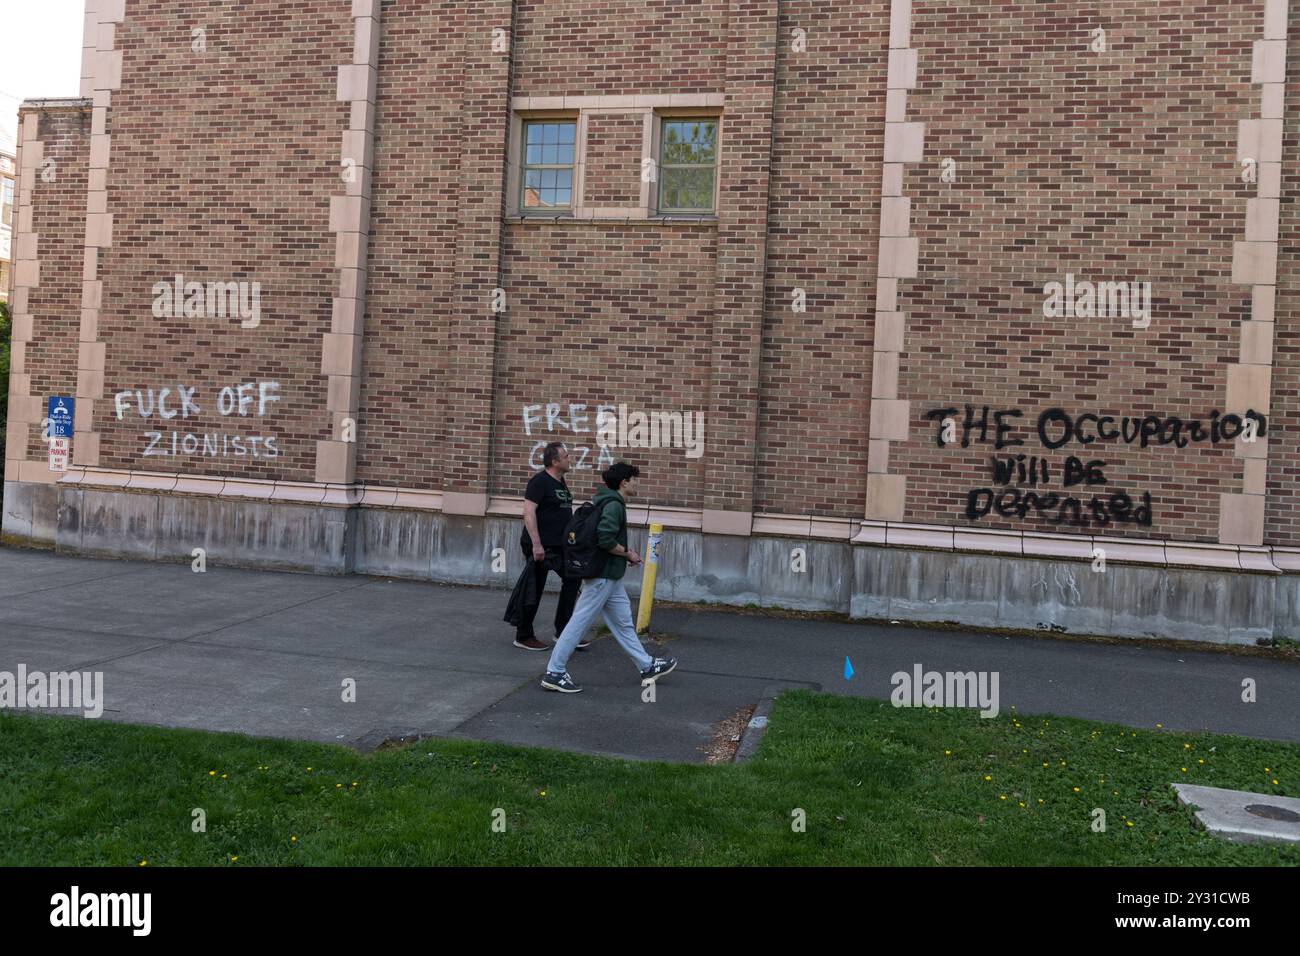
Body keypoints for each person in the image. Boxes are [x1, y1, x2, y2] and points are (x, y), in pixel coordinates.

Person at [542, 462, 677, 693]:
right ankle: (555, 672)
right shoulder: (614, 505)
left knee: (623, 623)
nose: (637, 484)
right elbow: (604, 539)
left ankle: (647, 666)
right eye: (635, 480)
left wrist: (623, 557)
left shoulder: (602, 500)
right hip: (602, 576)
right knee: (578, 623)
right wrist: (628, 553)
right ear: (624, 482)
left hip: (609, 577)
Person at [515, 442, 587, 652]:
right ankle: (523, 635)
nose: (570, 458)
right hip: (541, 546)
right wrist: (537, 545)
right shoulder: (540, 482)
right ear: (554, 461)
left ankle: (564, 631)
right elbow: (529, 513)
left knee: (572, 579)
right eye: (566, 456)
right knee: (534, 588)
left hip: (559, 545)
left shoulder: (560, 482)